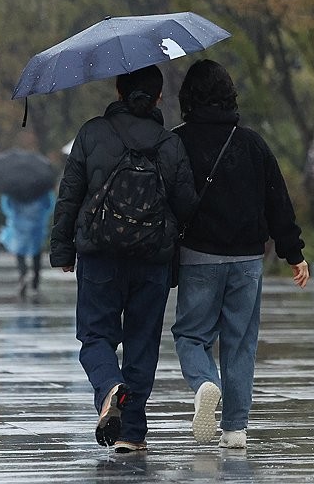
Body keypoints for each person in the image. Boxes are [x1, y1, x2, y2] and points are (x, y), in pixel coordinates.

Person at [51, 64, 198, 454]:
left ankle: (108, 387)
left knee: (96, 335)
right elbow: (186, 206)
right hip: (152, 259)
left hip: (100, 255)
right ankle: (132, 432)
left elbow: (70, 195)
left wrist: (63, 249)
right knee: (142, 342)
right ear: (158, 97)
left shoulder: (92, 133)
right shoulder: (169, 143)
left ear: (118, 90)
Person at [170, 59, 309, 450]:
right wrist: (293, 253)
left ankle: (204, 383)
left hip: (198, 256)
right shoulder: (252, 144)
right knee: (240, 342)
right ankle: (234, 429)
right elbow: (277, 201)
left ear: (188, 98)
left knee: (191, 334)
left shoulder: (176, 142)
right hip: (249, 260)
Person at [0, 190, 56, 299]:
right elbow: (49, 205)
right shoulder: (41, 188)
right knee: (36, 254)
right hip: (37, 224)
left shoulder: (15, 188)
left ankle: (23, 274)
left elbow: (7, 206)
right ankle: (35, 284)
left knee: (20, 252)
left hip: (19, 225)